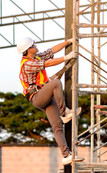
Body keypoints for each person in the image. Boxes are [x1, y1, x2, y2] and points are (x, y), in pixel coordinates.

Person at [17, 37, 84, 165]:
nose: (36, 45)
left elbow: (51, 51)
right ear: (28, 50)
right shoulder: (27, 64)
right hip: (37, 97)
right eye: (33, 45)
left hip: (42, 95)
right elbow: (47, 64)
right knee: (55, 83)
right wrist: (66, 58)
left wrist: (68, 42)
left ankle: (66, 156)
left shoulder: (35, 57)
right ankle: (64, 113)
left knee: (57, 126)